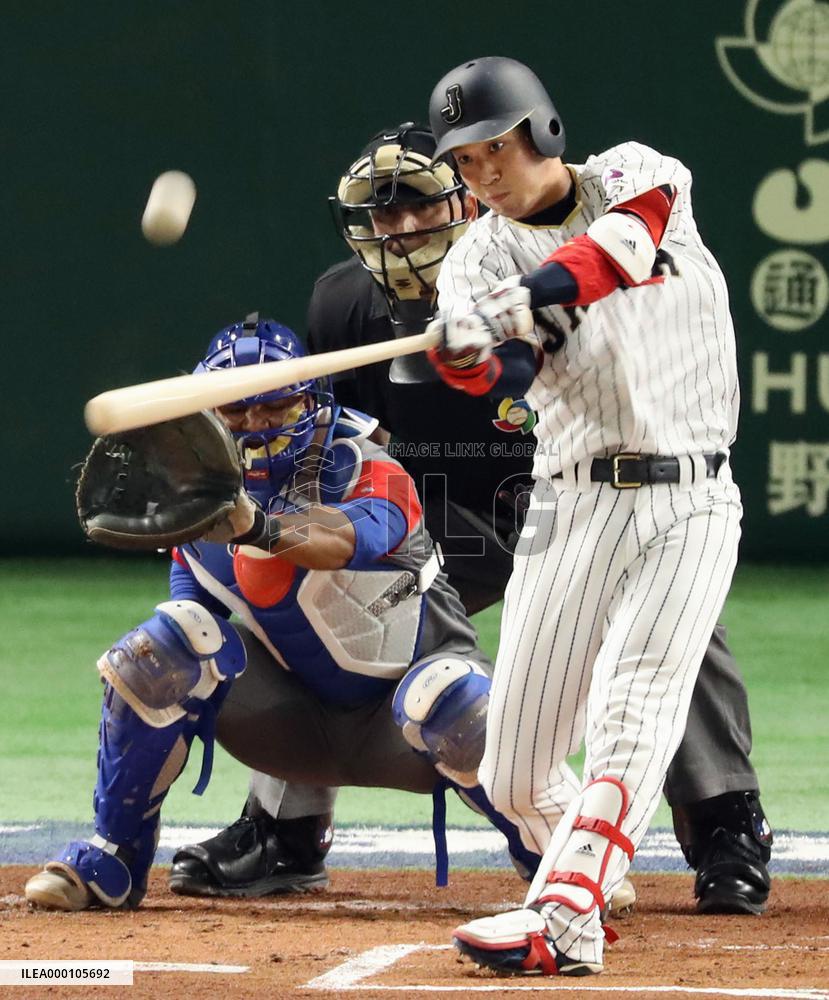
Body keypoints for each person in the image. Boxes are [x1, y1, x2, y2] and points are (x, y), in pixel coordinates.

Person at [172, 122, 772, 919]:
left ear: (462, 200)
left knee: (664, 604)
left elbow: (542, 370)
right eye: (382, 217)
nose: (403, 228)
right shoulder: (343, 304)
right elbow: (332, 460)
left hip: (558, 498)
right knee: (306, 593)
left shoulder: (523, 258)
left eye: (419, 205)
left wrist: (495, 338)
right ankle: (285, 829)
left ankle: (723, 825)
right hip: (426, 519)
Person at [419, 56, 773, 976]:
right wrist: (467, 360)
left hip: (690, 495)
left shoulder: (636, 173)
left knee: (634, 701)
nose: (485, 172)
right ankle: (590, 862)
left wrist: (514, 302)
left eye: (496, 146)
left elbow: (611, 253)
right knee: (513, 773)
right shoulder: (474, 260)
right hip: (570, 502)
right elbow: (508, 378)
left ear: (541, 131)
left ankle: (567, 909)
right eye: (465, 161)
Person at [23, 316, 537, 911]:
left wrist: (256, 527)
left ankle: (556, 862)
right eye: (236, 412)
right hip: (293, 726)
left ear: (312, 405)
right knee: (159, 650)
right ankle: (114, 858)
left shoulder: (368, 468)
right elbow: (193, 625)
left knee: (447, 695)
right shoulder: (200, 503)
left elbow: (339, 541)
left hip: (408, 727)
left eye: (275, 410)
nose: (255, 428)